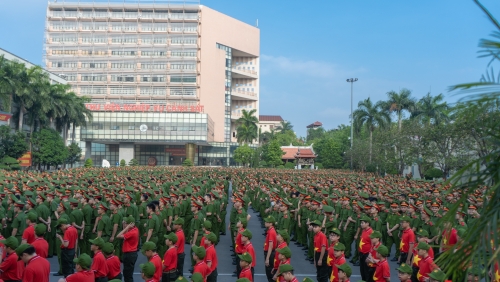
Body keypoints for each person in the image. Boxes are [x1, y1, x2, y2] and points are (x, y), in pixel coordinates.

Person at [116, 215, 139, 282]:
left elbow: (118, 236)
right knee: (127, 273)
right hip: (131, 253)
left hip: (129, 254)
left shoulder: (132, 232)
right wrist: (126, 227)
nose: (124, 223)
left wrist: (126, 228)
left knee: (128, 275)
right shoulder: (135, 229)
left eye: (125, 222)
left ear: (129, 224)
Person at [358, 215, 373, 280]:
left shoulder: (371, 232)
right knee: (362, 271)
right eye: (361, 223)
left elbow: (372, 245)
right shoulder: (364, 230)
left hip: (367, 254)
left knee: (367, 272)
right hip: (362, 253)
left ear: (367, 223)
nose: (361, 224)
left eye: (362, 223)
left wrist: (370, 255)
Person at [263, 216, 277, 282]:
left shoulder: (271, 232)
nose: (265, 223)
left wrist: (267, 258)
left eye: (267, 222)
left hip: (270, 253)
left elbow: (270, 246)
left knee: (269, 273)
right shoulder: (270, 230)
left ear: (271, 223)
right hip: (270, 252)